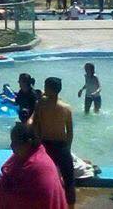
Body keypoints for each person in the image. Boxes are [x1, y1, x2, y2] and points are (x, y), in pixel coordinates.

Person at [0, 123, 68, 209]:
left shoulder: (35, 165)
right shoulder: (27, 154)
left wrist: (0, 190)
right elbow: (7, 171)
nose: (11, 146)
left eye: (15, 143)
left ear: (28, 143)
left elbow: (23, 199)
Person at [33, 77, 75, 208]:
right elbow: (70, 131)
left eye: (45, 86)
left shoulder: (41, 104)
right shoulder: (66, 107)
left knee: (40, 177)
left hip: (45, 144)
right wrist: (67, 148)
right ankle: (71, 205)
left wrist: (38, 143)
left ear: (49, 89)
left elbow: (36, 125)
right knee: (69, 178)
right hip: (61, 146)